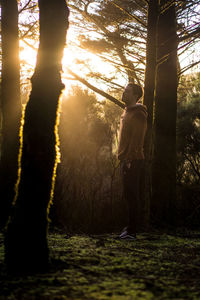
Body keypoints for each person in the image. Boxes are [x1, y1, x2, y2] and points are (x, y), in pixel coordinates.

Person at [118, 83, 147, 240]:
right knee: (128, 195)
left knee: (132, 195)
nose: (124, 93)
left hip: (133, 160)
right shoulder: (127, 112)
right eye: (124, 90)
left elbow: (138, 139)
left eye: (127, 92)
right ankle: (130, 227)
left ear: (136, 95)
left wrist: (129, 159)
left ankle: (132, 231)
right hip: (126, 159)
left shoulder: (138, 114)